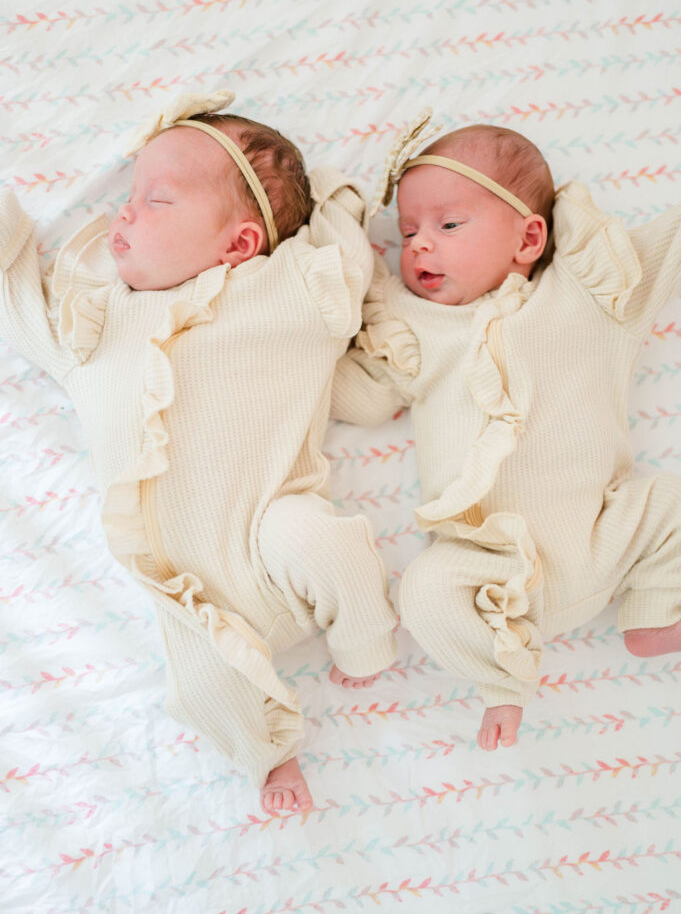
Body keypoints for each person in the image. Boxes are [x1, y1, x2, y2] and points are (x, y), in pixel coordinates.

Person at [0, 89, 397, 814]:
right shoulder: (97, 324)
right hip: (188, 586)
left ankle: (366, 639)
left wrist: (336, 198)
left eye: (157, 201)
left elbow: (344, 255)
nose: (123, 210)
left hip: (271, 531)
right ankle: (268, 759)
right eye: (129, 195)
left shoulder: (285, 291)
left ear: (239, 244)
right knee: (202, 682)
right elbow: (16, 295)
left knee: (320, 541)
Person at [331, 111, 681, 751]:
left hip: (601, 533)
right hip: (485, 566)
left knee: (671, 505)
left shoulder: (588, 295)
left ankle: (658, 611)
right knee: (425, 592)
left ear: (528, 238)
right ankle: (502, 678)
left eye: (449, 224)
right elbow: (359, 398)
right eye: (407, 231)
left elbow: (669, 244)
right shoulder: (416, 328)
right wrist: (320, 333)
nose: (418, 245)